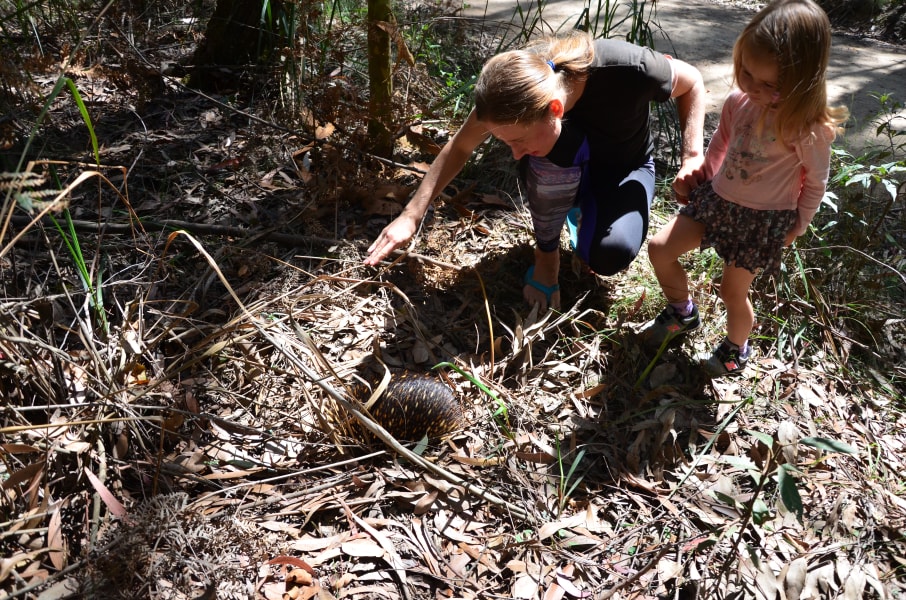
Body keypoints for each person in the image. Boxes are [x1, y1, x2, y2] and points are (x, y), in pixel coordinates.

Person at [365, 31, 706, 312]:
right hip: (560, 164)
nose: (514, 154)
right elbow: (460, 146)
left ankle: (579, 208)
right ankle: (546, 255)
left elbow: (692, 82)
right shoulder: (509, 92)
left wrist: (691, 156)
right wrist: (411, 214)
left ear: (554, 109)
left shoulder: (629, 68)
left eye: (517, 140)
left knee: (609, 255)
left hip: (623, 168)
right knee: (547, 150)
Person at [641, 0, 849, 375]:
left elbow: (815, 182)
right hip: (717, 201)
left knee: (731, 291)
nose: (752, 86)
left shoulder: (807, 127)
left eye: (769, 84)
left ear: (802, 81)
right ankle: (682, 312)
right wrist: (702, 171)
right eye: (746, 73)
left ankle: (735, 349)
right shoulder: (740, 101)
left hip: (762, 221)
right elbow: (722, 140)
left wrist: (796, 226)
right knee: (660, 249)